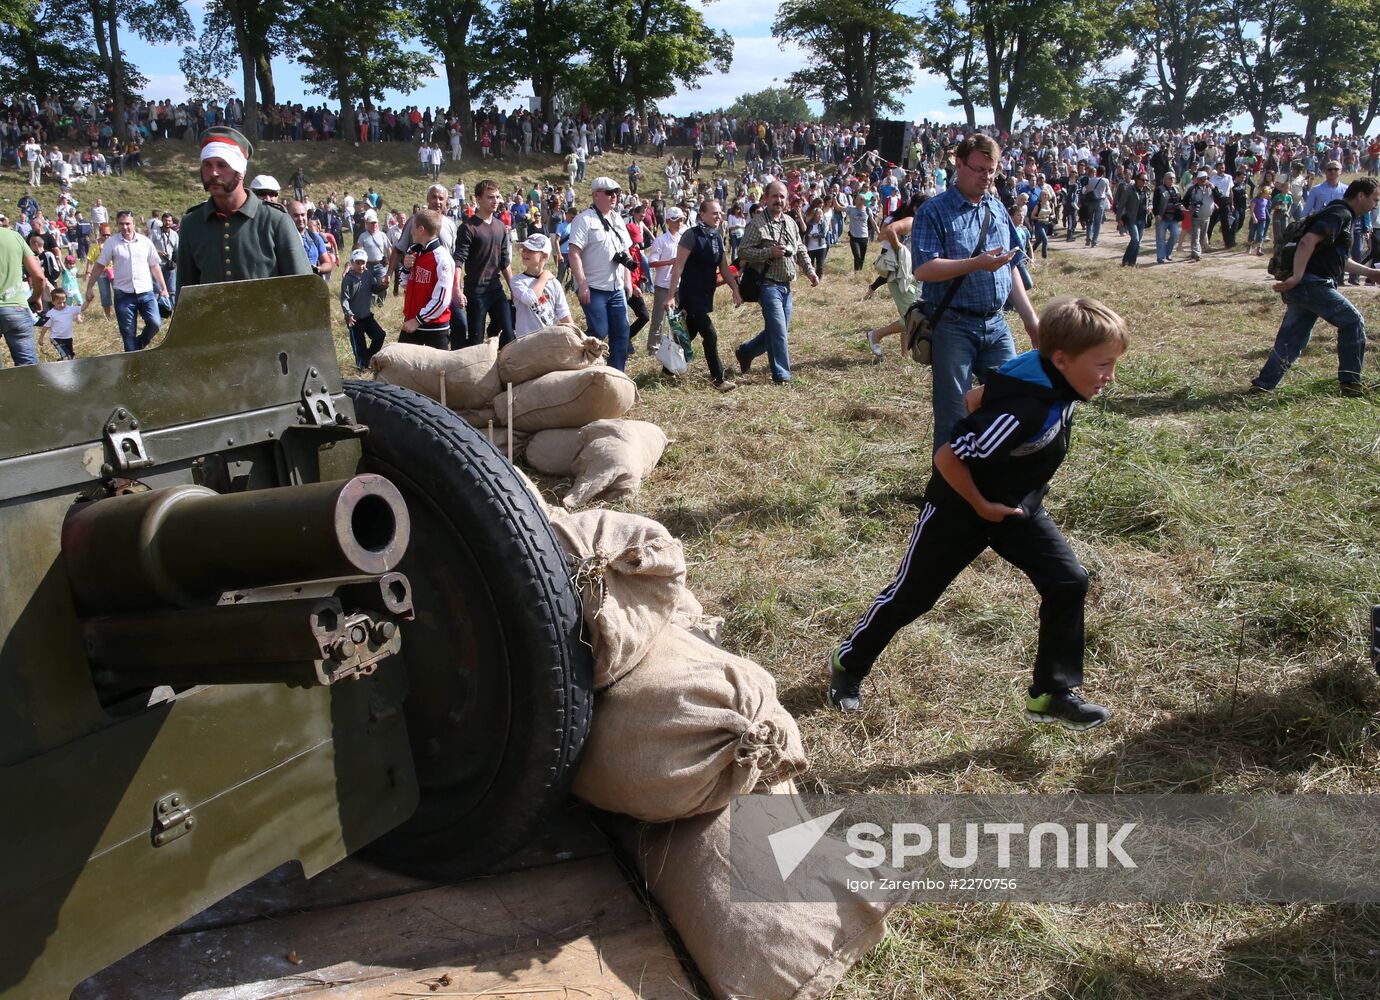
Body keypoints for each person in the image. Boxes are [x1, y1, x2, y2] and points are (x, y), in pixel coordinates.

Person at [827, 296, 1130, 729]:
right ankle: (849, 662)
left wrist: (1002, 498)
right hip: (959, 508)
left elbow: (973, 397)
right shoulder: (1026, 410)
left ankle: (1052, 693)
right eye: (1103, 365)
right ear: (1062, 359)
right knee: (912, 597)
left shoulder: (1048, 376)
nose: (1110, 377)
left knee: (1068, 581)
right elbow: (948, 458)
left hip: (1012, 509)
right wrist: (980, 503)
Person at [910, 134, 1040, 450]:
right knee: (954, 414)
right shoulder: (934, 211)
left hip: (996, 326)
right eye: (979, 169)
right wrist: (976, 264)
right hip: (954, 327)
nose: (986, 177)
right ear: (959, 164)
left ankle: (994, 485)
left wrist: (1030, 320)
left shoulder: (996, 208)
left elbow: (1011, 267)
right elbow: (924, 269)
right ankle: (947, 494)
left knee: (1013, 403)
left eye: (992, 171)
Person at [1251, 176, 1380, 397]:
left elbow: (1339, 259)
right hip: (1312, 283)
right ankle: (1350, 383)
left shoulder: (1339, 214)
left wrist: (1370, 273)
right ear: (1361, 195)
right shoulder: (1340, 214)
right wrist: (1297, 277)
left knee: (1292, 339)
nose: (1376, 204)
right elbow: (1307, 241)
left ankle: (1263, 384)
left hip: (1307, 284)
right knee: (1352, 321)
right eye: (1375, 199)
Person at [177, 127, 310, 287]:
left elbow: (303, 289)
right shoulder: (192, 223)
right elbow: (185, 294)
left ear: (240, 171)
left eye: (222, 165)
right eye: (207, 165)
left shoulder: (275, 220)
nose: (213, 173)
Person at [734, 180, 819, 384]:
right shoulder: (756, 224)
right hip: (767, 285)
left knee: (778, 329)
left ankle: (746, 352)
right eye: (774, 196)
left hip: (786, 285)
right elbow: (743, 252)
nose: (778, 200)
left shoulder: (790, 222)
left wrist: (810, 271)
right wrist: (768, 252)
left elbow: (799, 248)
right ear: (765, 198)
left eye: (782, 196)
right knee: (779, 331)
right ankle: (782, 376)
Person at [667, 197, 743, 392]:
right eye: (714, 213)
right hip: (690, 293)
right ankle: (718, 379)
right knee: (710, 335)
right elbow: (678, 267)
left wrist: (735, 289)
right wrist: (669, 296)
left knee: (689, 333)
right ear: (702, 214)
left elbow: (724, 268)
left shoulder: (716, 236)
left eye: (720, 213)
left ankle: (667, 369)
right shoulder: (691, 236)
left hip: (706, 294)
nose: (719, 216)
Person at [568, 176, 639, 370]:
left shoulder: (617, 218)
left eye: (616, 193)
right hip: (593, 286)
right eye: (609, 193)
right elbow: (574, 253)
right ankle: (579, 363)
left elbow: (624, 251)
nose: (614, 196)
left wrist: (628, 281)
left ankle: (615, 375)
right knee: (599, 330)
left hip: (616, 287)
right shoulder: (584, 220)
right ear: (596, 195)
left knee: (622, 333)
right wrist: (581, 283)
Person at [84, 210, 169, 351]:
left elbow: (154, 265)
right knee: (128, 335)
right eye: (121, 224)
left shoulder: (145, 242)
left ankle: (139, 344)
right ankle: (132, 366)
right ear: (117, 225)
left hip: (146, 293)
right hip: (124, 296)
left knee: (155, 323)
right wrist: (89, 287)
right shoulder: (112, 243)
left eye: (127, 223)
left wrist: (164, 288)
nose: (125, 227)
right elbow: (99, 265)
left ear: (134, 224)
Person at [452, 178, 514, 348]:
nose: (495, 201)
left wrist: (513, 289)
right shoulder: (468, 228)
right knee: (475, 341)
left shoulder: (501, 227)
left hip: (496, 288)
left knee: (508, 335)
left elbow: (505, 261)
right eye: (490, 197)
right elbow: (458, 260)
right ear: (478, 199)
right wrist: (457, 289)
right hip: (476, 292)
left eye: (497, 197)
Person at [399, 209, 454, 350]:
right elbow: (404, 284)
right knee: (403, 369)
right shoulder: (414, 251)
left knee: (437, 371)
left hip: (433, 329)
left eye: (412, 228)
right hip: (411, 323)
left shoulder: (442, 259)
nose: (411, 232)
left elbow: (442, 299)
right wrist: (405, 267)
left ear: (421, 229)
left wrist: (417, 320)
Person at [511, 233, 572, 336]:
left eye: (531, 250)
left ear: (544, 256)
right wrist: (545, 276)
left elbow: (563, 312)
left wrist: (576, 335)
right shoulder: (517, 281)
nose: (525, 253)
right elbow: (530, 299)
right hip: (524, 341)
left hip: (547, 340)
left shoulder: (554, 284)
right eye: (524, 249)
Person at [0, 218, 43, 366]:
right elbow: (39, 277)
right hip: (16, 308)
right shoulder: (15, 237)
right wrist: (35, 297)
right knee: (28, 368)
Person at [644, 205, 685, 353]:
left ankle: (677, 346)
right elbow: (651, 262)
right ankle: (653, 348)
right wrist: (671, 261)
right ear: (668, 221)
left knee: (678, 318)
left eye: (681, 220)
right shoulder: (660, 240)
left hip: (679, 285)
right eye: (675, 220)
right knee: (658, 319)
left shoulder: (683, 239)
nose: (679, 223)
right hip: (663, 284)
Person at [340, 248, 386, 371]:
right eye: (358, 263)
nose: (361, 266)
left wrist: (383, 285)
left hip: (367, 316)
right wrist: (348, 314)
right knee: (359, 347)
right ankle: (362, 368)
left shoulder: (368, 275)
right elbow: (344, 299)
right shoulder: (348, 279)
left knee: (380, 335)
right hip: (355, 319)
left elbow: (374, 288)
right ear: (352, 263)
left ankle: (369, 357)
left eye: (363, 263)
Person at [288, 200, 333, 280]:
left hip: (312, 284)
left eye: (302, 215)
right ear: (288, 217)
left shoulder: (315, 237)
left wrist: (317, 269)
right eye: (296, 216)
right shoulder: (282, 238)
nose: (300, 219)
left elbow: (328, 264)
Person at [36, 286, 82, 359]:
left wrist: (88, 301)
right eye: (59, 303)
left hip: (68, 338)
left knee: (71, 356)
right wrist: (41, 338)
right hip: (56, 338)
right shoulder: (51, 314)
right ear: (53, 302)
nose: (62, 305)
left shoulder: (69, 309)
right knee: (66, 357)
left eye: (64, 302)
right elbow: (45, 327)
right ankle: (63, 367)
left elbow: (82, 308)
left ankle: (60, 364)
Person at [1116, 171, 1149, 267]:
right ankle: (1125, 260)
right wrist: (1119, 218)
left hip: (1142, 219)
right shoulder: (1129, 190)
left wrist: (1149, 207)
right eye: (1142, 180)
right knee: (1135, 240)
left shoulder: (1147, 190)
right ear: (1137, 180)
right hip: (1132, 219)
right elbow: (1121, 204)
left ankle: (1132, 263)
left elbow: (1149, 201)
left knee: (1137, 243)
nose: (1144, 182)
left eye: (1146, 180)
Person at [1152, 171, 1181, 264]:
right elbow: (1155, 203)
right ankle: (1160, 257)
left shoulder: (1176, 189)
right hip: (1162, 217)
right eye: (1170, 178)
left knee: (1175, 235)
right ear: (1164, 180)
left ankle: (1168, 253)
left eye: (1173, 178)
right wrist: (1157, 214)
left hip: (1173, 218)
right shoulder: (1159, 189)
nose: (1172, 180)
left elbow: (1180, 201)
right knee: (1160, 238)